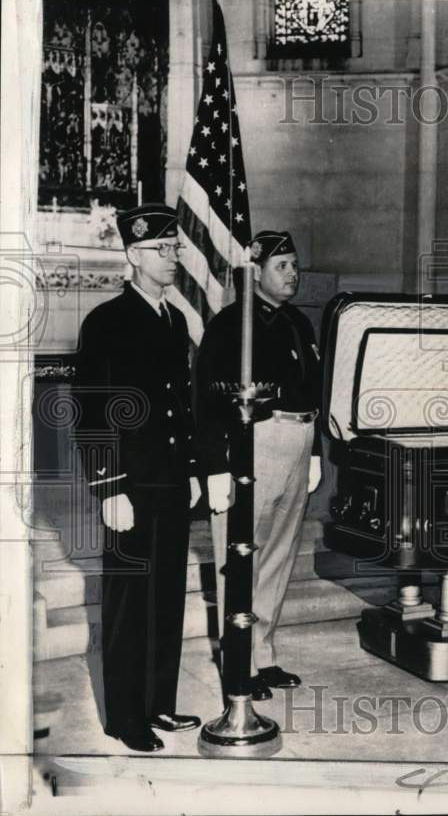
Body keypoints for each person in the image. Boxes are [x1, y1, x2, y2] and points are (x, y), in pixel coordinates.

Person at [72, 204, 202, 752]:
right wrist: (108, 486)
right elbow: (92, 410)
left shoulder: (172, 318)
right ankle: (126, 717)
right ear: (133, 256)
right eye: (161, 250)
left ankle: (158, 705)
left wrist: (194, 467)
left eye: (174, 248)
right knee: (128, 601)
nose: (173, 258)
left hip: (170, 479)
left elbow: (182, 402)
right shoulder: (107, 321)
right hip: (131, 482)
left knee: (167, 594)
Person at [195, 230, 322, 700]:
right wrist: (213, 465)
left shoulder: (298, 325)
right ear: (256, 273)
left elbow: (314, 389)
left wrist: (313, 452)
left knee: (278, 555)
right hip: (255, 442)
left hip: (298, 437)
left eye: (294, 265)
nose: (293, 274)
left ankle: (262, 655)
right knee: (241, 554)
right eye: (282, 266)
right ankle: (237, 661)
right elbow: (205, 398)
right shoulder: (232, 325)